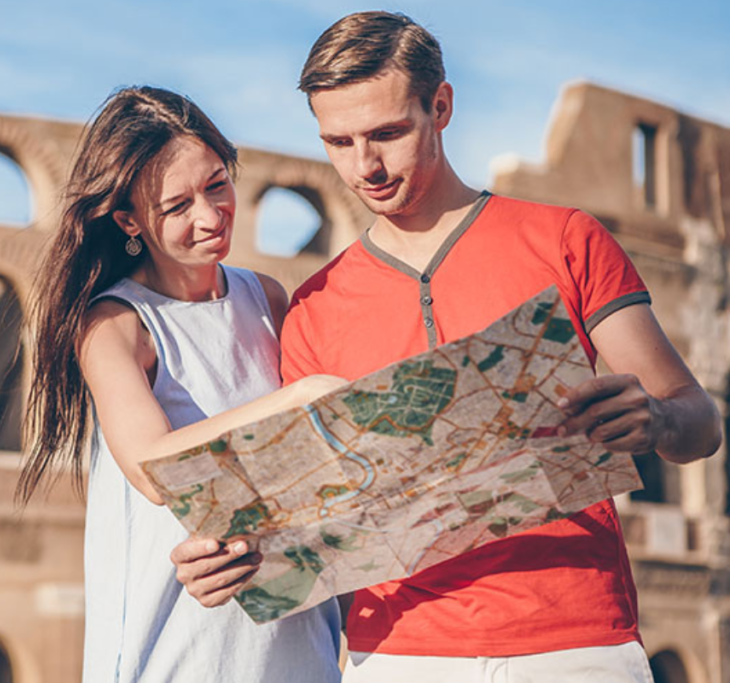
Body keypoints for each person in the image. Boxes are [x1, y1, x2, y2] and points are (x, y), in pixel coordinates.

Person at [170, 11, 722, 682]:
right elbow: (309, 519)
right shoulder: (313, 306)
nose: (364, 166)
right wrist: (230, 558)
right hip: (398, 651)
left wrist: (659, 418)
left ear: (442, 105)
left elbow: (698, 422)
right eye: (338, 142)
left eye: (387, 134)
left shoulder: (566, 239)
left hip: (575, 640)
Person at [17, 85, 342, 683]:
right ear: (129, 221)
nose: (209, 216)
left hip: (294, 643)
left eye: (217, 185)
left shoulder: (267, 298)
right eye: (177, 206)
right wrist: (296, 401)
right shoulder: (113, 323)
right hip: (177, 649)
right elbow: (150, 464)